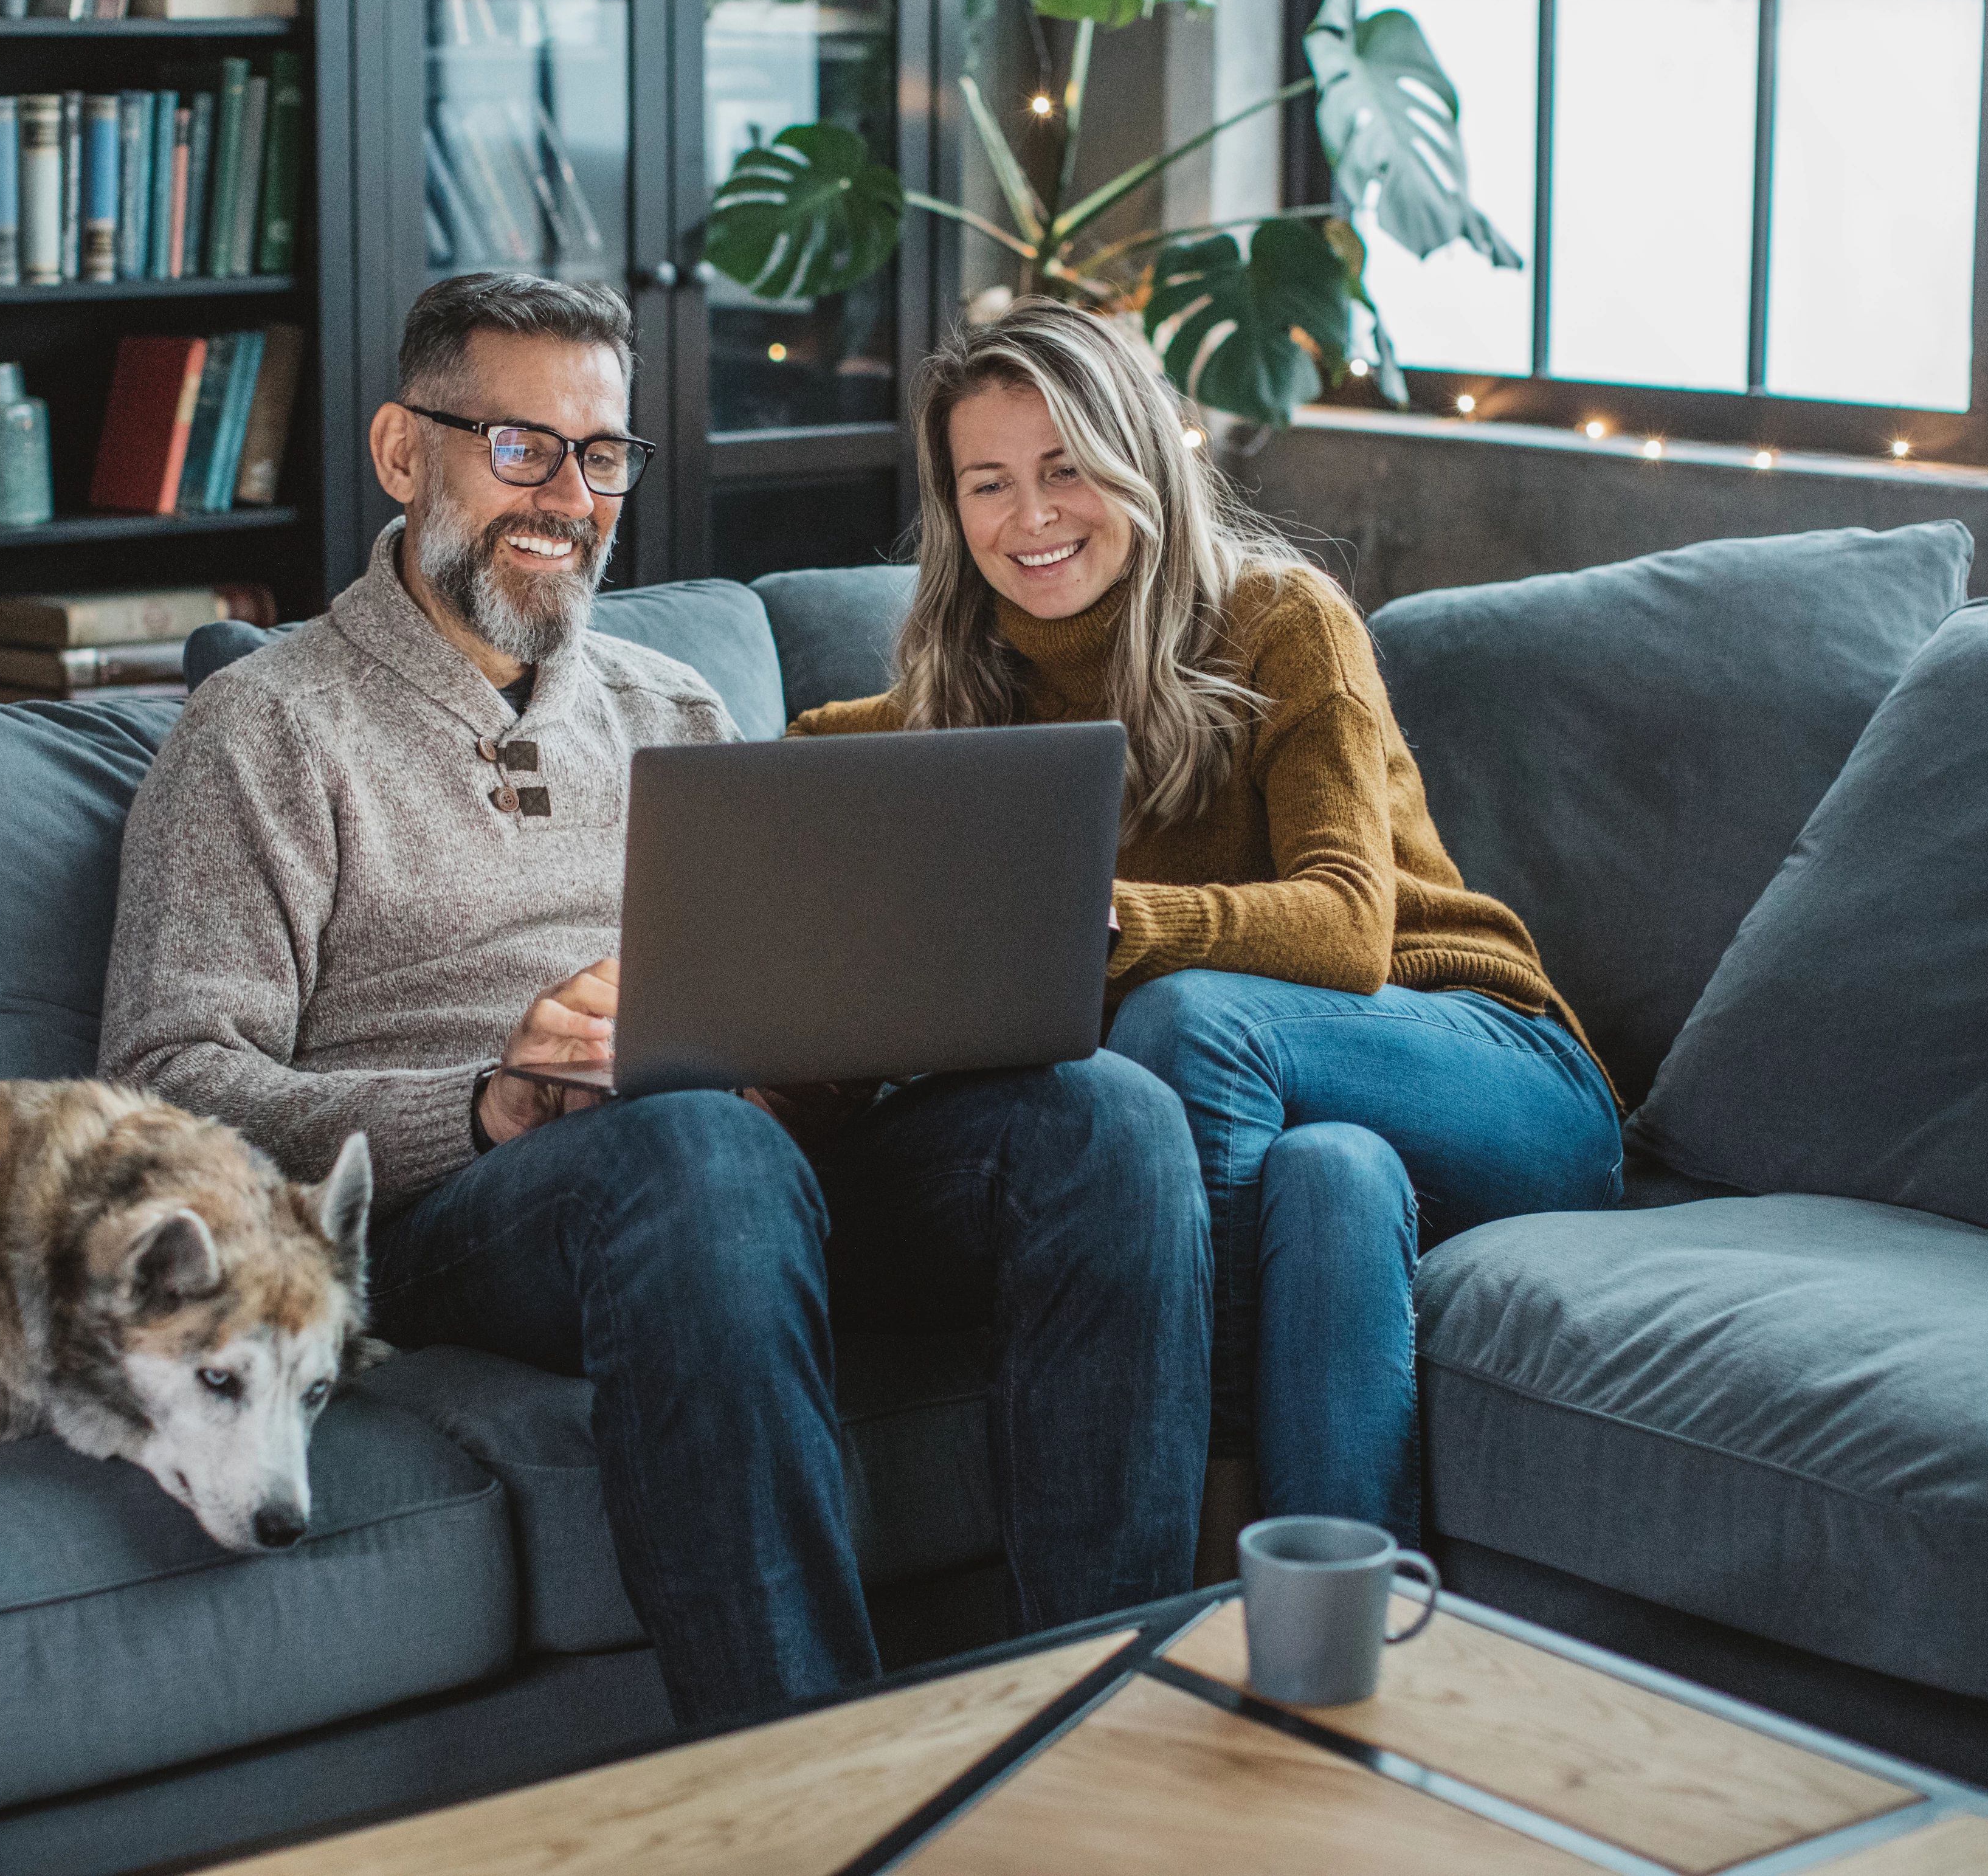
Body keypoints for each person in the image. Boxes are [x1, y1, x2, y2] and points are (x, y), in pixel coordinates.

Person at [98, 272, 1211, 1723]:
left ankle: (1102, 1733)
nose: (568, 495)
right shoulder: (262, 726)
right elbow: (164, 1084)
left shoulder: (672, 703)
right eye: (520, 446)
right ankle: (808, 1784)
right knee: (700, 1153)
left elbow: (791, 985)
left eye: (602, 454)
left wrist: (829, 1058)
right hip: (474, 1214)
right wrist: (485, 1104)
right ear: (399, 451)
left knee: (1106, 1116)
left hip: (743, 1163)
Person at [793, 298, 1619, 1554]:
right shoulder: (957, 714)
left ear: (1138, 458)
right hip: (1311, 1129)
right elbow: (809, 774)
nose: (1032, 517)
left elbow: (1347, 927)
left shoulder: (1282, 622)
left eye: (1066, 468)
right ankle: (1336, 1648)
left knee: (1191, 1018)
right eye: (988, 484)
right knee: (1328, 1179)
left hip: (1490, 1067)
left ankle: (1199, 1504)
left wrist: (1108, 918)